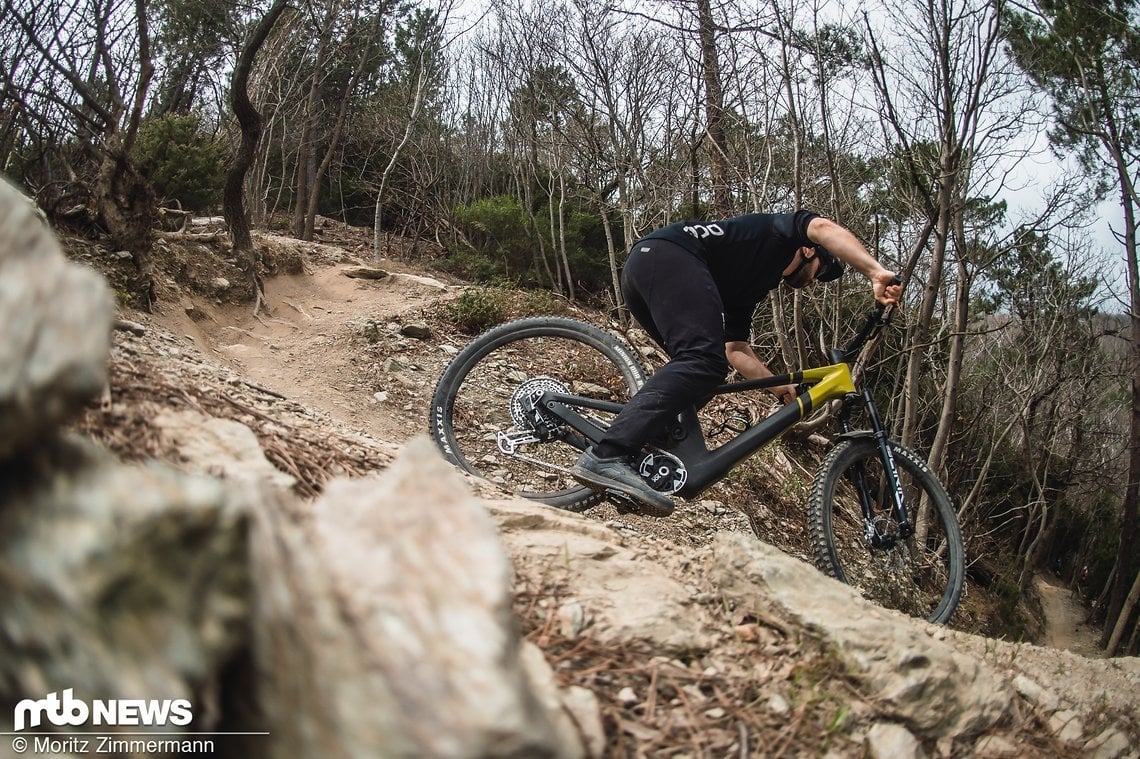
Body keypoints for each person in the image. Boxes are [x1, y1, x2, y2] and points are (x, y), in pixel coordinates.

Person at [571, 210, 901, 516]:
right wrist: (875, 271)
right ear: (810, 250)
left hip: (651, 269)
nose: (815, 280)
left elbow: (736, 350)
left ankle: (637, 453)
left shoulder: (754, 281)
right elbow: (822, 227)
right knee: (702, 360)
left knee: (703, 371)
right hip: (667, 255)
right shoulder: (780, 232)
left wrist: (779, 387)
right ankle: (607, 454)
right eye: (823, 270)